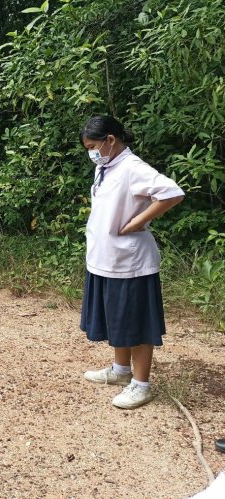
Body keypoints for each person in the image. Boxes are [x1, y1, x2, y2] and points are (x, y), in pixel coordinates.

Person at [79, 115, 184, 409]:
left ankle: (141, 384)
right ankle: (120, 371)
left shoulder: (132, 168)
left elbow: (172, 193)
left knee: (135, 320)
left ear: (110, 140)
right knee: (117, 317)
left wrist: (136, 223)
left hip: (130, 262)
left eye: (93, 146)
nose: (91, 153)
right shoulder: (107, 167)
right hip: (106, 258)